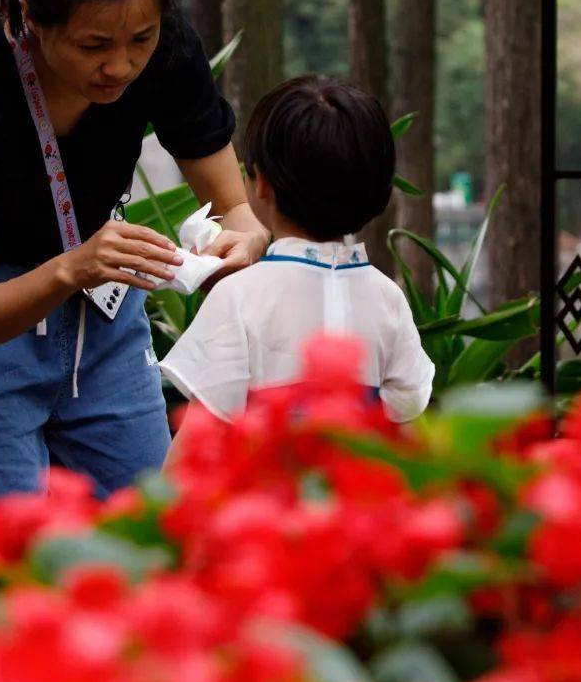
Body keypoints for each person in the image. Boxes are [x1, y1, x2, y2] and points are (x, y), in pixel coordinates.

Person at [0, 0, 270, 497]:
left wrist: (241, 243)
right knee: (6, 546)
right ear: (30, 16)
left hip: (106, 323)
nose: (120, 66)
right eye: (93, 46)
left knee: (146, 523)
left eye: (140, 39)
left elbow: (238, 211)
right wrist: (71, 268)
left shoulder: (167, 49)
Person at [161, 74, 434, 455]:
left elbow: (198, 441)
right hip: (353, 489)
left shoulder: (238, 297)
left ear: (261, 183)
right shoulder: (388, 298)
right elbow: (407, 421)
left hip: (267, 491)